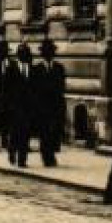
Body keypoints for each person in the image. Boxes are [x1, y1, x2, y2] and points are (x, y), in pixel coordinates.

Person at [32, 39, 66, 167]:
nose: (48, 54)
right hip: (42, 106)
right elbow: (34, 89)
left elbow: (61, 87)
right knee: (44, 132)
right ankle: (47, 156)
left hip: (55, 105)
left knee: (54, 132)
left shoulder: (59, 68)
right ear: (42, 54)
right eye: (46, 52)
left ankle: (50, 153)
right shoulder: (37, 69)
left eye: (50, 51)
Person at [3, 44, 35, 167]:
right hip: (14, 107)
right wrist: (8, 105)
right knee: (15, 132)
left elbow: (34, 89)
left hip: (27, 107)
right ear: (18, 55)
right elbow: (6, 88)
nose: (24, 56)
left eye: (26, 53)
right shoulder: (11, 68)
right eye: (22, 53)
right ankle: (12, 152)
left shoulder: (32, 69)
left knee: (25, 133)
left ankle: (22, 160)